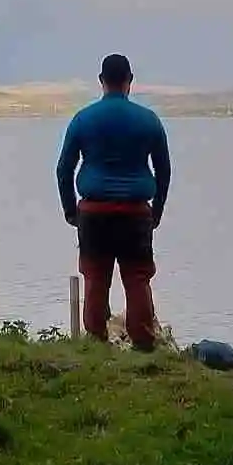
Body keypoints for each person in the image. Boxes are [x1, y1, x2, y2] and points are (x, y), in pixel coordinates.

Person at [56, 54, 171, 350]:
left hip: (93, 213)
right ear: (130, 80)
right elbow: (164, 170)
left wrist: (71, 211)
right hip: (136, 212)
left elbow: (64, 169)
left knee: (95, 278)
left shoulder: (83, 119)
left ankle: (95, 344)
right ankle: (143, 345)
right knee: (137, 279)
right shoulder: (149, 120)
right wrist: (156, 211)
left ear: (101, 81)